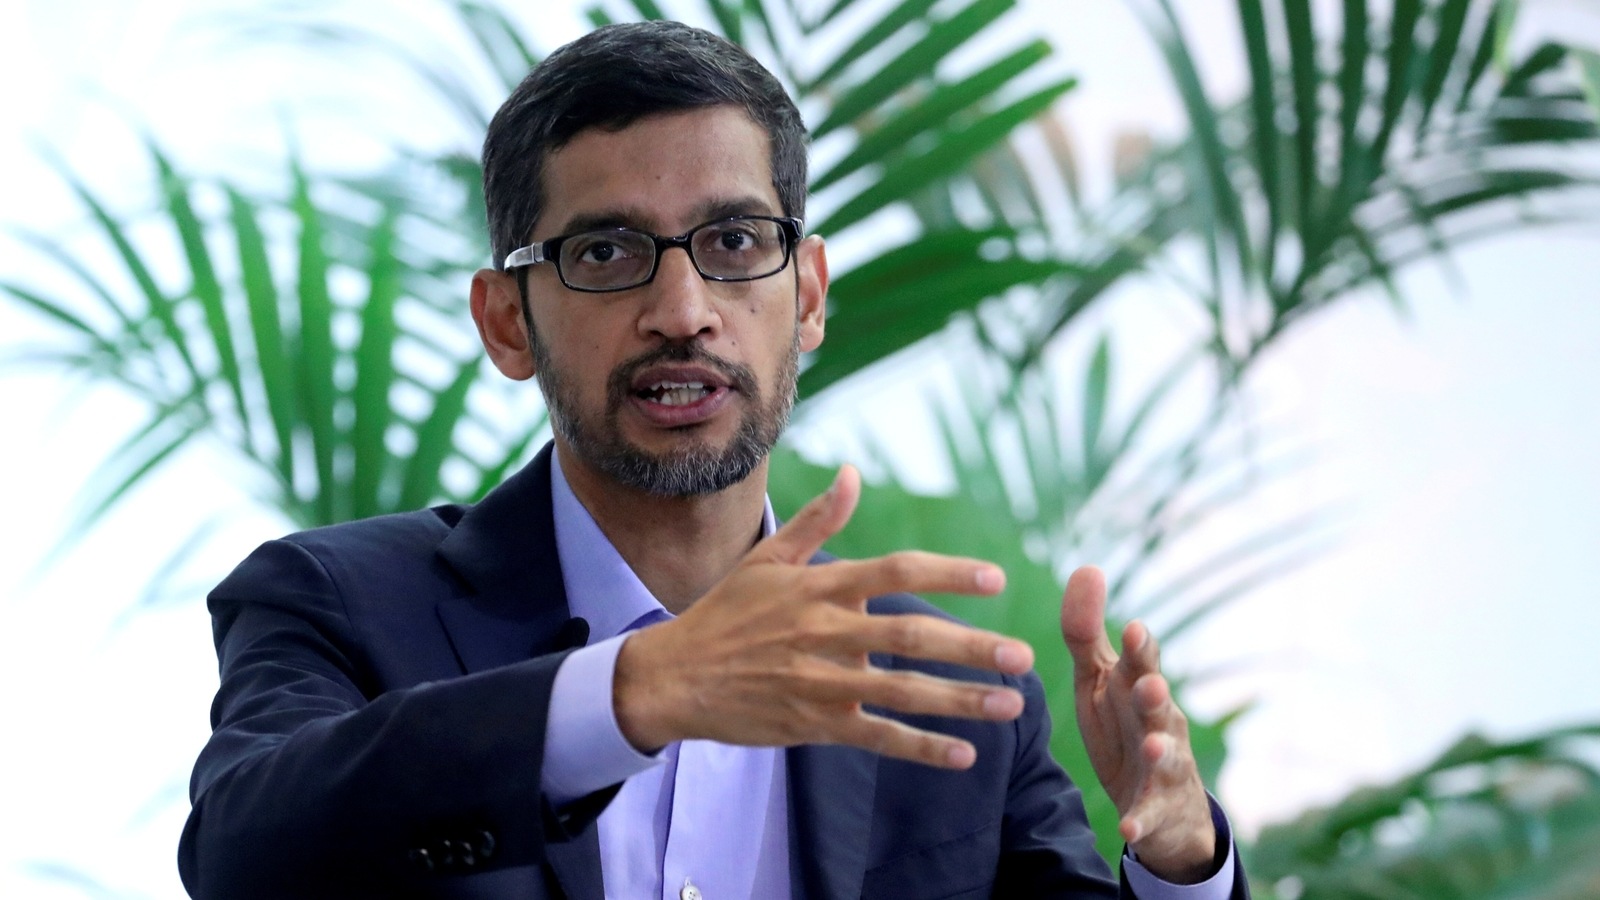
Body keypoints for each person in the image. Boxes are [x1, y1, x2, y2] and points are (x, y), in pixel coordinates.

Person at [179, 20, 1249, 900]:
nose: (682, 313)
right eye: (605, 253)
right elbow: (242, 850)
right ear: (507, 322)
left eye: (735, 243)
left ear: (811, 294)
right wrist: (632, 694)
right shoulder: (333, 601)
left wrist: (1178, 863)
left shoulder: (945, 695)